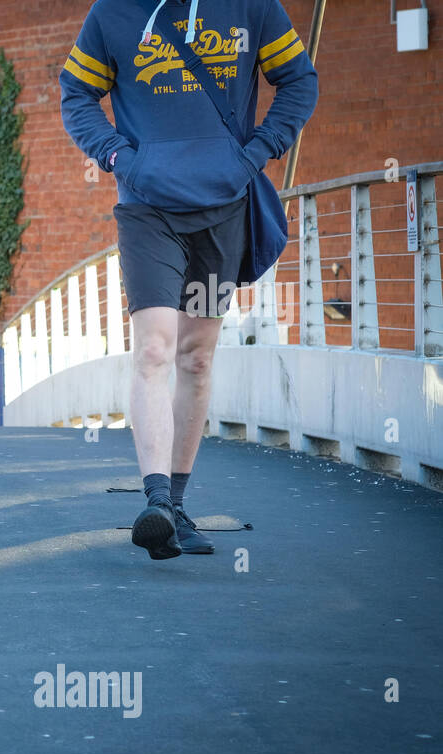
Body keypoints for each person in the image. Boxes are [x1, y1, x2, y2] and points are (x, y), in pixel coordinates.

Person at [60, 0, 317, 559]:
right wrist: (117, 156)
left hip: (223, 209)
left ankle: (175, 505)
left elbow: (298, 79)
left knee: (196, 357)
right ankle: (152, 501)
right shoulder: (115, 14)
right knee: (153, 349)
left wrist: (256, 153)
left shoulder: (251, 8)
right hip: (148, 209)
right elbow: (76, 92)